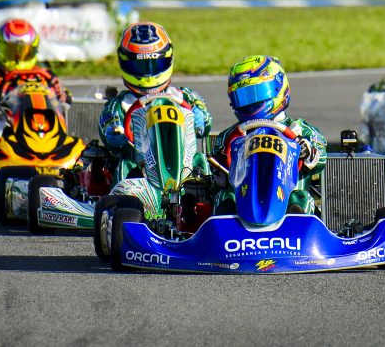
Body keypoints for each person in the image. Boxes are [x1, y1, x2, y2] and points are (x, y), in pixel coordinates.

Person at [209, 55, 326, 215]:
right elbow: (214, 186)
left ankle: (296, 225)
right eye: (242, 97)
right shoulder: (227, 137)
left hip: (287, 203)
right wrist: (219, 174)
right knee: (224, 197)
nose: (249, 103)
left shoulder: (300, 130)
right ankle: (222, 233)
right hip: (243, 206)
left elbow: (321, 159)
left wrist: (309, 153)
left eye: (256, 94)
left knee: (300, 198)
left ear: (278, 88)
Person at [98, 21, 212, 181]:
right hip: (142, 174)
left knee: (200, 160)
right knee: (125, 166)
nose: (149, 72)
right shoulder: (120, 105)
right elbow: (108, 132)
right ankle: (128, 202)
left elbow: (205, 124)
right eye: (140, 66)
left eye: (155, 63)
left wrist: (200, 119)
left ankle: (203, 201)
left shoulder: (183, 97)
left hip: (183, 170)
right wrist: (114, 134)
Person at [0, 18, 69, 151]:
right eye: (12, 51)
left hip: (46, 123)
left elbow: (66, 101)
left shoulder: (46, 76)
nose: (18, 57)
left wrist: (62, 95)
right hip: (9, 129)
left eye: (24, 52)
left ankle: (57, 146)